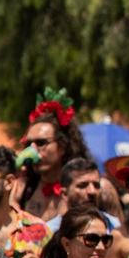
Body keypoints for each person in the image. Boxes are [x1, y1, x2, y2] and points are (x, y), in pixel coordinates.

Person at [15, 90, 93, 222]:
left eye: (41, 143)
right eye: (29, 143)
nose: (32, 150)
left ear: (62, 146)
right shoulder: (25, 189)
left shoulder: (86, 189)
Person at [45, 159, 120, 233]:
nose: (92, 191)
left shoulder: (114, 226)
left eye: (96, 185)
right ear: (64, 194)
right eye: (82, 186)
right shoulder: (49, 232)